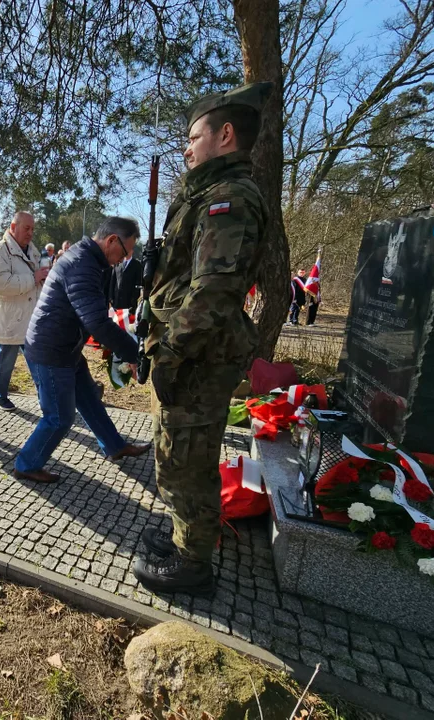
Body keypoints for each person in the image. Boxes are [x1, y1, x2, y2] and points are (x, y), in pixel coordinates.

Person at [135, 81, 271, 595]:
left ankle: (193, 565)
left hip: (198, 355)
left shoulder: (229, 199)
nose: (187, 148)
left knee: (187, 460)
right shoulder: (207, 195)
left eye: (194, 137)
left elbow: (214, 293)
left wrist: (170, 349)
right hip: (189, 352)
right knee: (175, 452)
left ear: (226, 135)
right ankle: (182, 536)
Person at [13, 217, 151, 483]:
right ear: (111, 240)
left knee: (88, 399)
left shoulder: (88, 259)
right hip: (52, 351)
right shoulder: (82, 264)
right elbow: (96, 321)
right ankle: (27, 463)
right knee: (59, 417)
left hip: (66, 346)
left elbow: (92, 314)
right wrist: (132, 353)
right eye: (125, 251)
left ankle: (114, 446)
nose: (124, 259)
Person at [0, 211, 45, 411]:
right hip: (12, 318)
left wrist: (42, 280)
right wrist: (34, 278)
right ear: (13, 227)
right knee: (7, 358)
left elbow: (35, 277)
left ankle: (45, 397)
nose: (30, 233)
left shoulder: (31, 249)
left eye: (32, 229)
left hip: (31, 316)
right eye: (26, 228)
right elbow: (0, 285)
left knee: (38, 359)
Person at [109, 245, 142, 316]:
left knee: (126, 324)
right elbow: (113, 281)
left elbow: (138, 283)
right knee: (114, 322)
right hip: (116, 300)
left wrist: (134, 299)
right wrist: (111, 296)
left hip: (129, 301)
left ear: (132, 251)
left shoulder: (137, 265)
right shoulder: (118, 263)